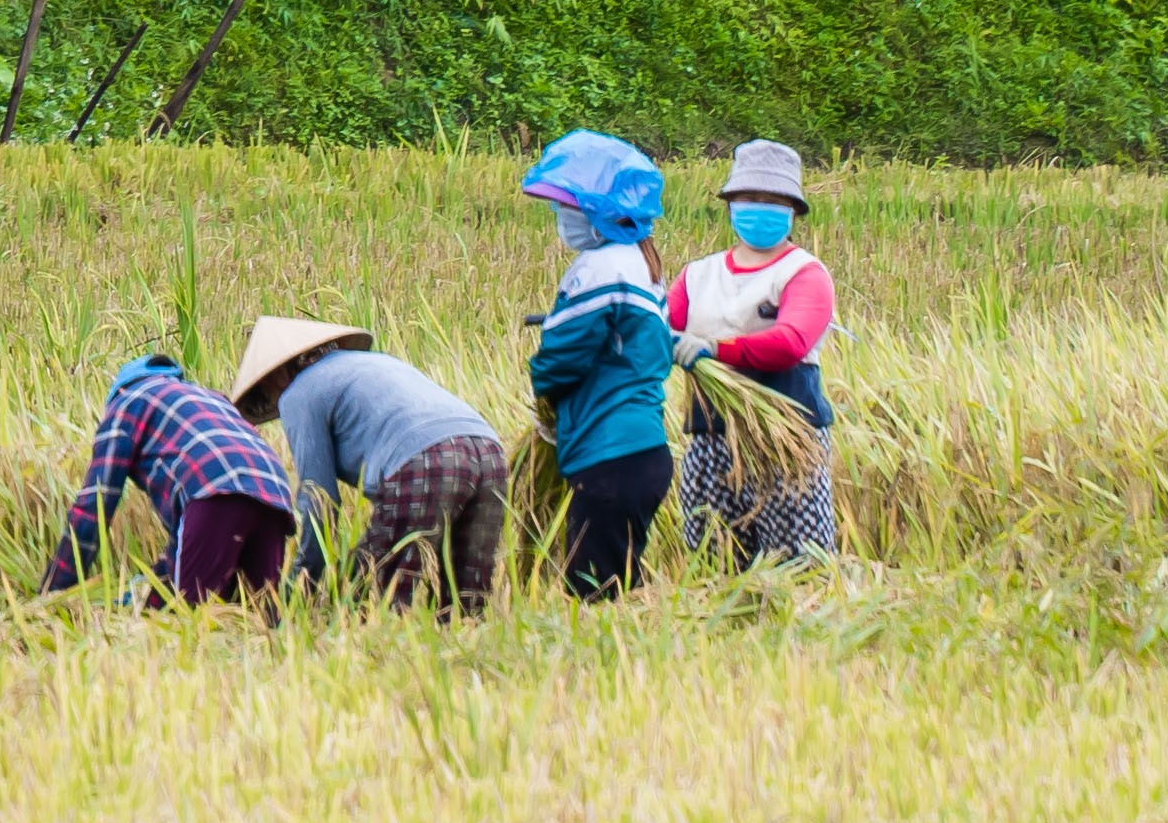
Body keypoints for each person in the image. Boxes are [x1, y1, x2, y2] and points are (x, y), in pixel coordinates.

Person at [230, 314, 505, 614]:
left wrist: (301, 586)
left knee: (371, 600)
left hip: (426, 460)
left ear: (276, 374)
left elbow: (319, 500)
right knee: (465, 604)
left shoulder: (299, 392)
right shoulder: (377, 363)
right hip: (490, 452)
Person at [666, 136, 840, 563]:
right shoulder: (698, 275)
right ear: (729, 205)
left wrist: (712, 348)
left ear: (794, 211)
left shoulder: (804, 273)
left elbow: (790, 342)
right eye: (748, 197)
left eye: (771, 199)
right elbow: (653, 328)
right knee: (713, 556)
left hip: (785, 436)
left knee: (799, 560)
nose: (758, 206)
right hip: (711, 436)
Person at [519, 131, 676, 598]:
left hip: (608, 458)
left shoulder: (599, 268)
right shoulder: (642, 267)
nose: (561, 216)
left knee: (591, 598)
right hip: (643, 451)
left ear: (602, 212)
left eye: (569, 206)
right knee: (619, 591)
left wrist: (541, 390)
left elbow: (562, 359)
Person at [44, 352, 303, 605]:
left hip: (216, 489)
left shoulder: (127, 401)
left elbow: (95, 505)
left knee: (188, 617)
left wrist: (56, 592)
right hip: (275, 494)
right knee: (258, 616)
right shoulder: (212, 399)